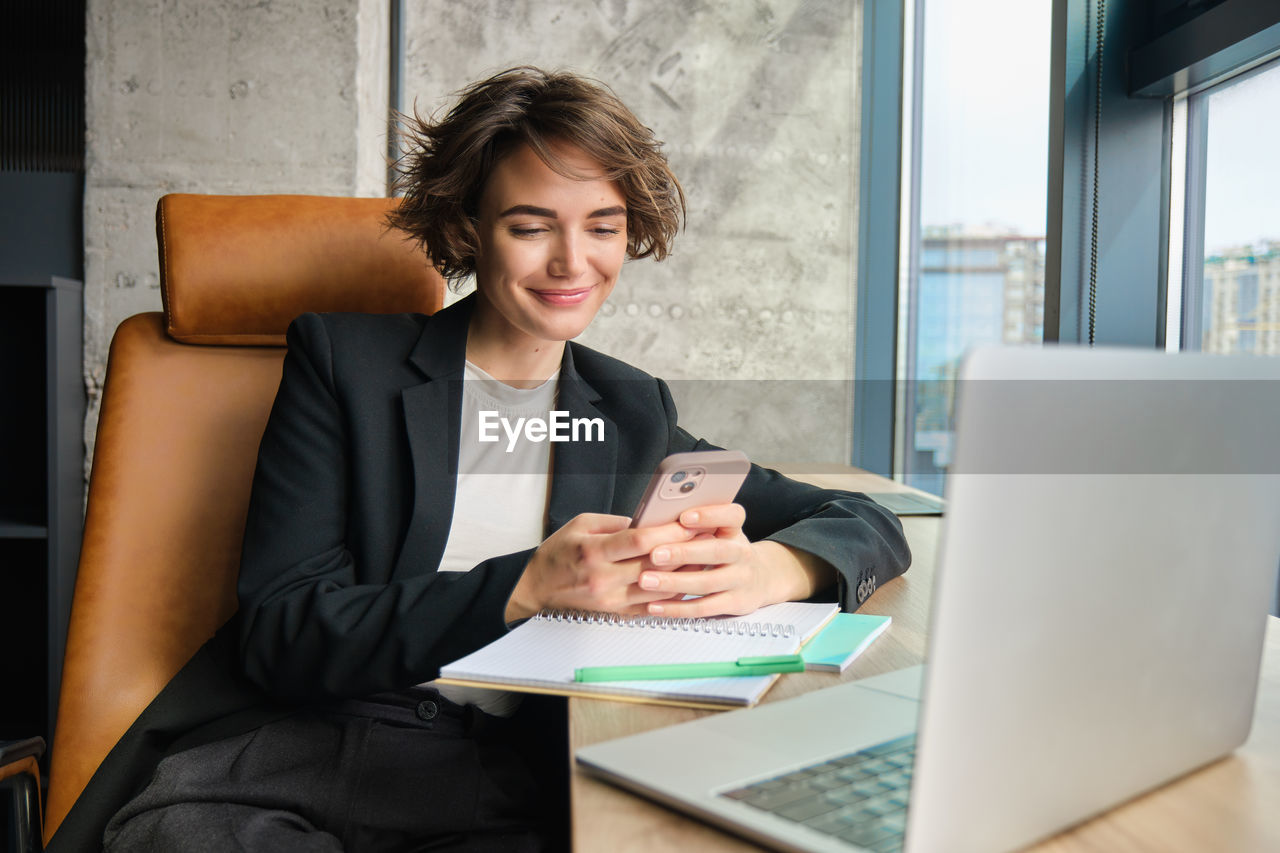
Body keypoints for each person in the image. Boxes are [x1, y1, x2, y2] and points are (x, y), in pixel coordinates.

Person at [91, 67, 910, 852]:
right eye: (530, 226)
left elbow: (867, 522)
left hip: (498, 785)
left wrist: (775, 570)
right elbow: (282, 633)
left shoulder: (630, 412)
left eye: (603, 226)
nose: (571, 262)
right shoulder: (345, 366)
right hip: (303, 752)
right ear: (466, 228)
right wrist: (523, 586)